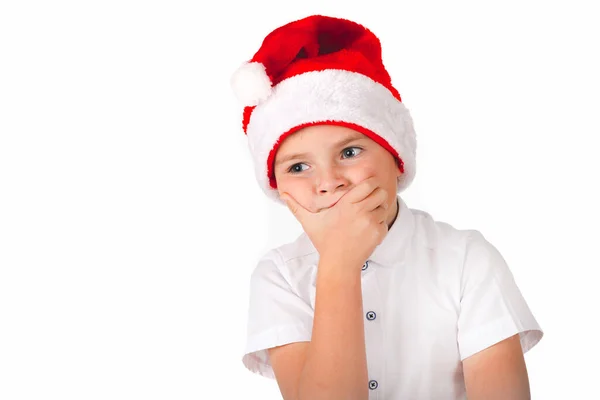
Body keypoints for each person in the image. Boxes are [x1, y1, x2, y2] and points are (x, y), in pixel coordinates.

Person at [230, 14, 543, 400]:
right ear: (278, 189)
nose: (329, 182)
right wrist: (338, 264)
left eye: (349, 151)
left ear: (397, 160)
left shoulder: (465, 260)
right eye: (298, 166)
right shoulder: (279, 275)